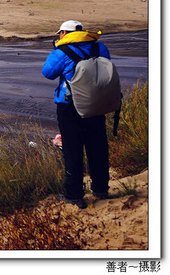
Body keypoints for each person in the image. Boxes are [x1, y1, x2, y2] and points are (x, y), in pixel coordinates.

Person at [42, 20, 111, 209]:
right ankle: (101, 189)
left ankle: (74, 195)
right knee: (97, 146)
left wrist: (56, 49)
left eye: (60, 34)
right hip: (96, 103)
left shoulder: (61, 52)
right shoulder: (99, 47)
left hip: (70, 106)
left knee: (73, 150)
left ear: (64, 32)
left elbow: (47, 72)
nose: (58, 36)